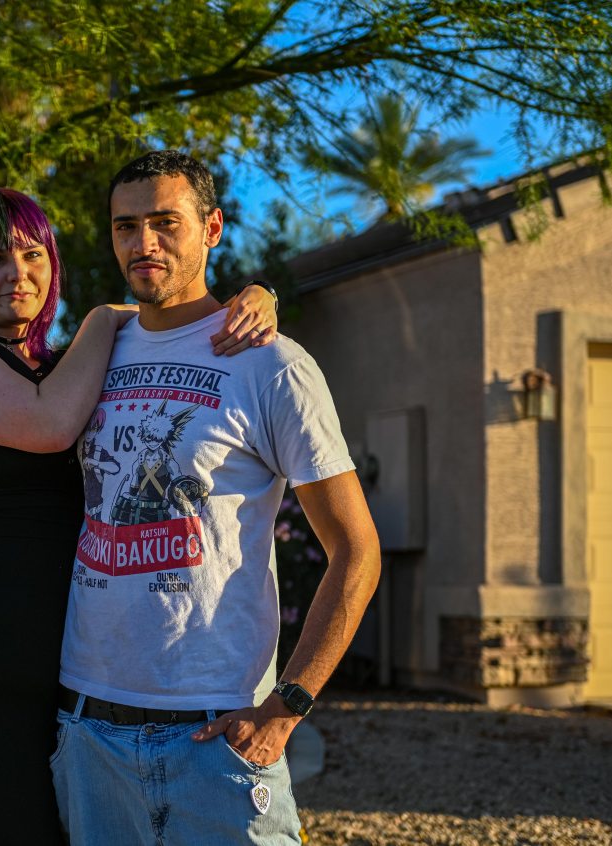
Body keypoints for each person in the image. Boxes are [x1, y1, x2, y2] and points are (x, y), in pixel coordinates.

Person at [0, 186, 279, 844]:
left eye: (32, 254)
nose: (17, 274)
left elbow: (174, 348)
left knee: (39, 811)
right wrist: (110, 314)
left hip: (50, 641)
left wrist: (255, 299)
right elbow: (51, 424)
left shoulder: (68, 366)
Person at [52, 151, 382, 845]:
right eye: (126, 226)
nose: (144, 243)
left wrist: (287, 706)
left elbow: (356, 551)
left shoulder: (271, 364)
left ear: (213, 228)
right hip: (88, 734)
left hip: (217, 734)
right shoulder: (94, 352)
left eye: (166, 222)